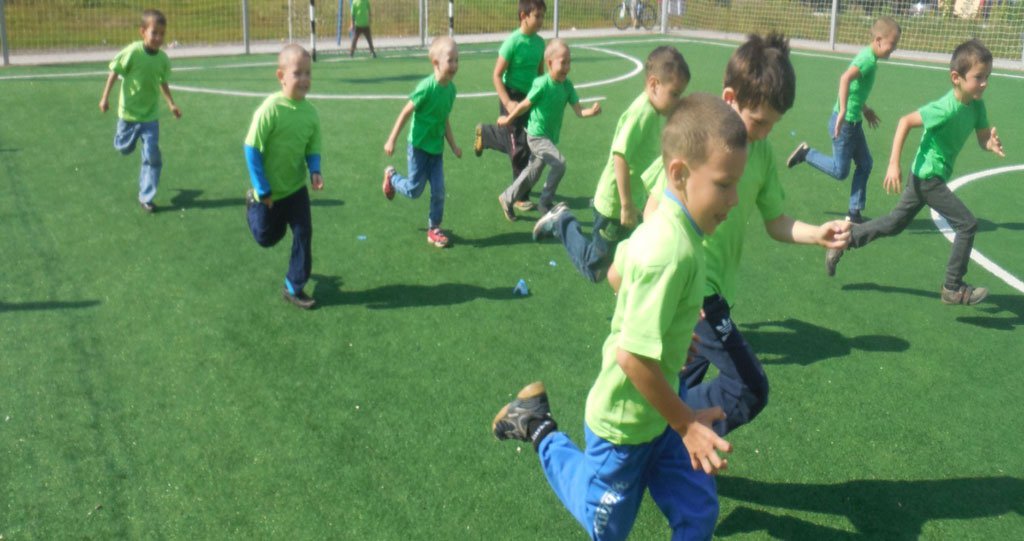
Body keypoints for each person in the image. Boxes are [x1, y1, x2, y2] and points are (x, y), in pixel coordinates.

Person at [491, 94, 747, 540]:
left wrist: (668, 335)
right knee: (606, 528)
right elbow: (631, 357)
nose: (735, 198)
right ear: (679, 174)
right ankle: (537, 425)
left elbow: (616, 274)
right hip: (626, 426)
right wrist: (686, 423)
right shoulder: (669, 249)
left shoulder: (670, 227)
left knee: (698, 514)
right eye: (724, 185)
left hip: (661, 413)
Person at [617, 34, 852, 437]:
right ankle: (677, 434)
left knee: (674, 382)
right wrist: (678, 285)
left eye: (773, 124)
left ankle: (662, 438)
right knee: (749, 388)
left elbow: (775, 220)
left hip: (717, 294)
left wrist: (818, 234)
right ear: (730, 98)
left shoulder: (759, 152)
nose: (764, 132)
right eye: (758, 121)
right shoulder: (700, 140)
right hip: (697, 295)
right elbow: (654, 211)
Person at [825, 39, 1005, 306]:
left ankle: (844, 240)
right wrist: (893, 163)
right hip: (927, 176)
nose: (984, 83)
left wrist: (990, 143)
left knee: (894, 224)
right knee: (967, 224)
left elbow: (982, 138)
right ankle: (952, 287)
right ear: (956, 78)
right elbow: (905, 121)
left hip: (928, 176)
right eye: (978, 77)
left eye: (987, 77)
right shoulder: (944, 108)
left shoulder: (977, 106)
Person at [531, 46, 689, 283]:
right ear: (654, 85)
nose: (677, 102)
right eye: (674, 94)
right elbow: (620, 156)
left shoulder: (653, 112)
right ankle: (561, 221)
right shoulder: (643, 113)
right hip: (614, 207)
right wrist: (625, 204)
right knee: (595, 269)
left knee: (629, 259)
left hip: (630, 203)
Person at [787, 17, 901, 223]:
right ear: (878, 40)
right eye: (892, 43)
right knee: (840, 171)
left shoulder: (870, 58)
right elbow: (845, 78)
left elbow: (856, 90)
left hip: (854, 123)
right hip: (845, 123)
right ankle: (806, 154)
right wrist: (842, 112)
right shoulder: (867, 60)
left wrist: (865, 109)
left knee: (865, 163)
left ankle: (854, 212)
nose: (894, 48)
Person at [243, 44, 325, 309]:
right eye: (297, 73)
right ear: (281, 76)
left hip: (296, 189)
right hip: (268, 192)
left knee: (304, 232)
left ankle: (294, 286)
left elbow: (313, 146)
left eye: (308, 73)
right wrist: (261, 188)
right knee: (267, 237)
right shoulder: (270, 109)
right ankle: (251, 204)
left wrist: (315, 170)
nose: (304, 79)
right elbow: (251, 148)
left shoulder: (311, 113)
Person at [496, 39, 601, 221]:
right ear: (550, 63)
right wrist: (508, 119)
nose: (567, 67)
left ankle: (506, 198)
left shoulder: (567, 86)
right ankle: (545, 203)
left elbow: (579, 111)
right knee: (559, 163)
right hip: (536, 135)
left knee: (532, 174)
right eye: (563, 62)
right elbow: (524, 105)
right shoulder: (542, 83)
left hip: (549, 137)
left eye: (569, 62)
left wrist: (591, 111)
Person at [98, 8, 181, 213]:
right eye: (154, 33)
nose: (158, 38)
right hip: (128, 114)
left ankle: (146, 196)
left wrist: (171, 104)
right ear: (142, 32)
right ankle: (125, 140)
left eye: (162, 34)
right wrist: (105, 97)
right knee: (123, 148)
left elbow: (163, 82)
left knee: (152, 155)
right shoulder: (132, 52)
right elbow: (114, 72)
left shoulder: (162, 59)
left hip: (150, 117)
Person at [382, 37, 462, 248]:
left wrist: (453, 145)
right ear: (436, 63)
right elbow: (406, 112)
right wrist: (392, 139)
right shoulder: (426, 88)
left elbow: (444, 118)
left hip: (436, 151)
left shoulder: (451, 90)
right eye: (450, 60)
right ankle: (391, 176)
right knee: (414, 190)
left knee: (439, 190)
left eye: (457, 60)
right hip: (418, 148)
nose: (454, 65)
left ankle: (434, 228)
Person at [473, 0, 546, 212]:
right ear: (523, 16)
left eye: (543, 16)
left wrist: (541, 96)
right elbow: (497, 75)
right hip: (511, 96)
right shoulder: (512, 43)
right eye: (537, 16)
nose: (541, 21)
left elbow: (540, 73)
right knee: (519, 146)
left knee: (522, 141)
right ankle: (520, 195)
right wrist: (508, 102)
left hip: (529, 98)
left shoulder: (540, 43)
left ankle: (486, 133)